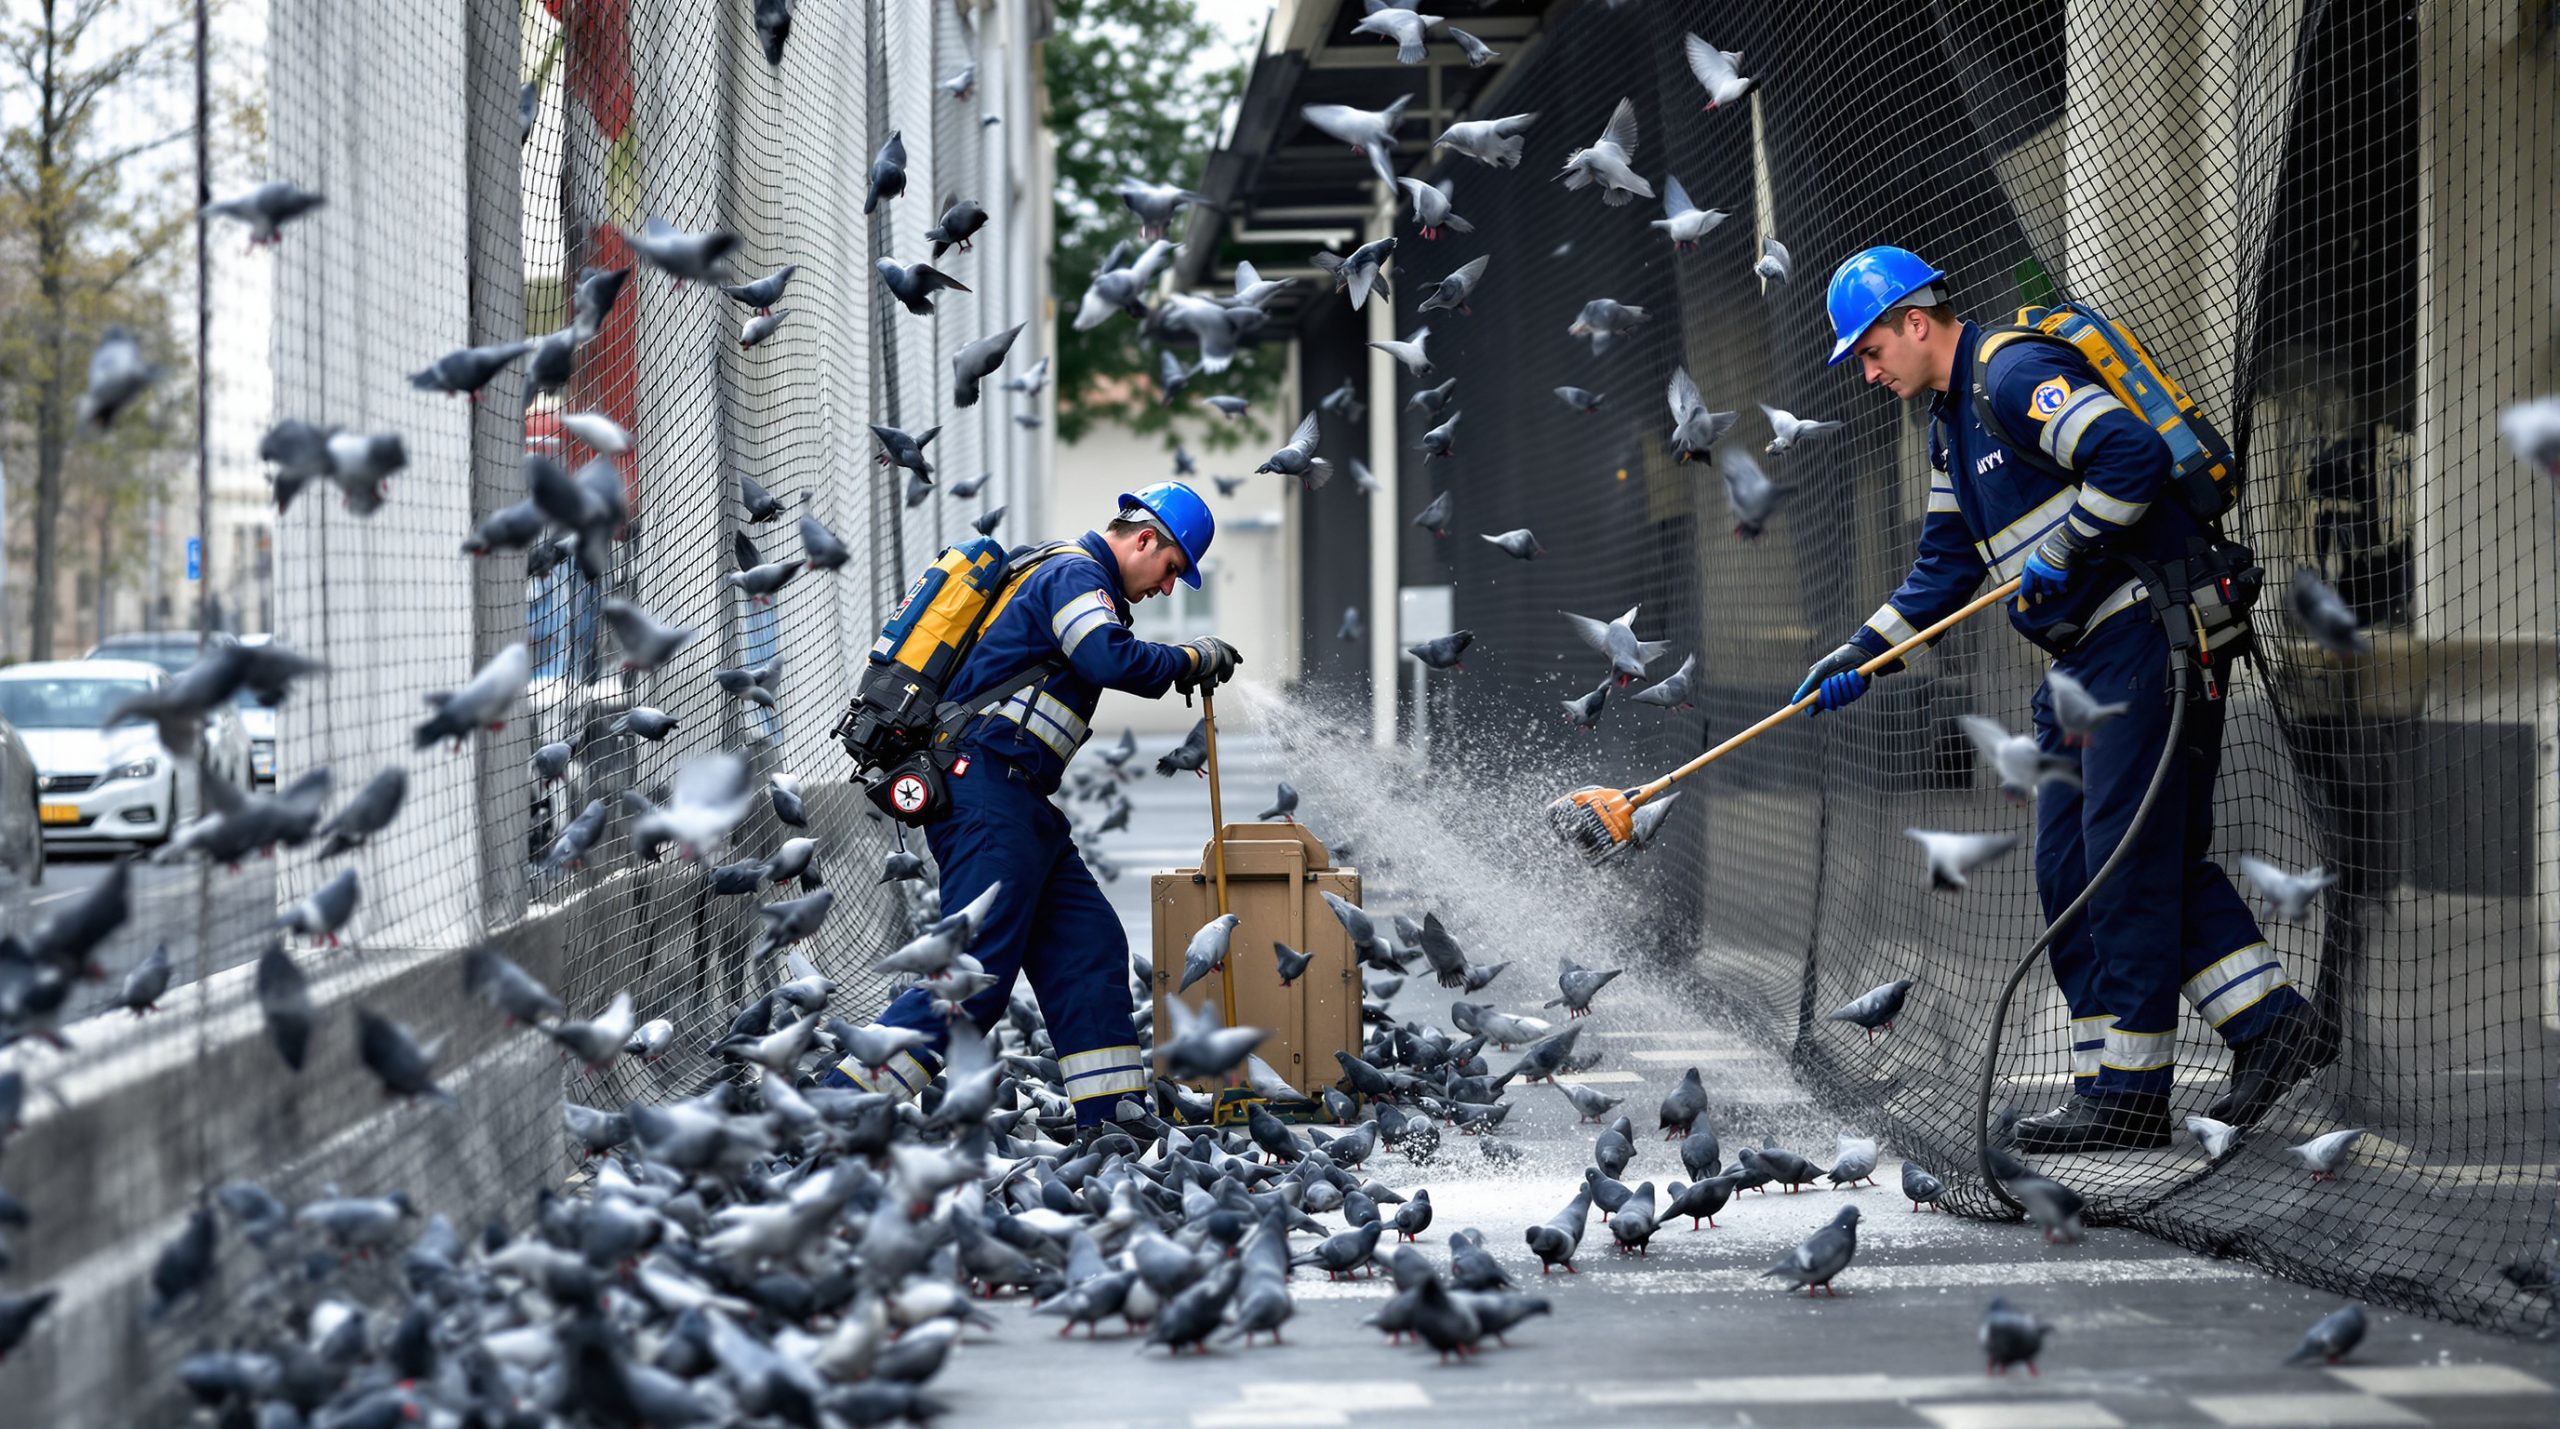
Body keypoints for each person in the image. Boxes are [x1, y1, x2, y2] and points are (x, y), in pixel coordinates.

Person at [1795, 246, 2322, 1153]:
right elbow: (1944, 569)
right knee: (2073, 871)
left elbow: (2129, 453)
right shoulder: (1947, 428)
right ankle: (2265, 1028)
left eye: (1872, 349)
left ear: (1916, 321)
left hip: (2142, 636)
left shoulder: (2011, 372)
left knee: (2122, 865)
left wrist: (2067, 544)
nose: (1871, 371)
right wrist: (1862, 653)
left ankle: (2130, 1094)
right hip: (2087, 660)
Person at [830, 481, 1239, 1134]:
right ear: (1143, 539)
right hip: (986, 793)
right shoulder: (1075, 575)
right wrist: (1189, 657)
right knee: (976, 976)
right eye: (1170, 570)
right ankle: (836, 1107)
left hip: (1019, 801)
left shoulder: (1063, 573)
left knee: (1087, 945)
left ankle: (1114, 1123)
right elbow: (1104, 656)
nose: (1167, 589)